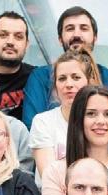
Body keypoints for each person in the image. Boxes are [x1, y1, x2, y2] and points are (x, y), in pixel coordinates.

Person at [18, 6, 108, 122]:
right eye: (70, 29)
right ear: (60, 39)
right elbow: (33, 126)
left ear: (95, 38)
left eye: (84, 28)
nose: (76, 34)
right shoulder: (40, 77)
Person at [27, 50, 100, 179]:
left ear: (90, 82)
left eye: (76, 77)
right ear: (55, 86)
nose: (69, 84)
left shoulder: (100, 122)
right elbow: (49, 176)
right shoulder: (43, 122)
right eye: (62, 78)